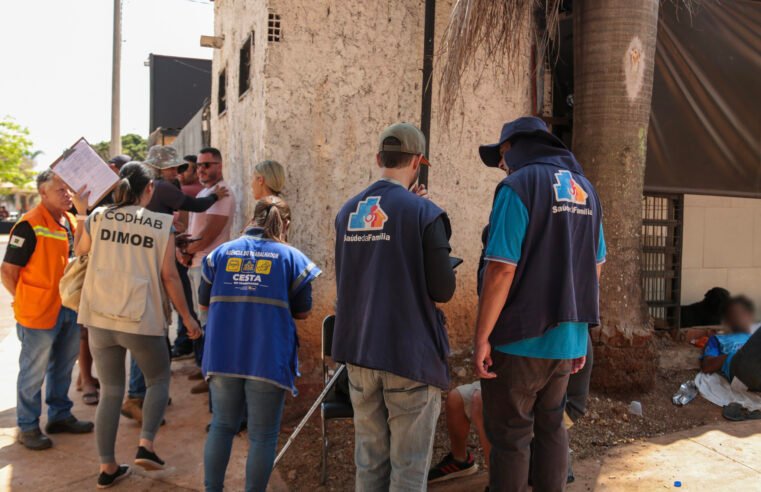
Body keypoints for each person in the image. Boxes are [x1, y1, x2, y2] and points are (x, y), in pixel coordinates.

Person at [474, 116, 605, 492]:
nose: (502, 165)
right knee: (551, 429)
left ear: (512, 148)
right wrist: (578, 330)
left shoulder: (518, 186)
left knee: (512, 437)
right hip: (566, 340)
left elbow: (500, 268)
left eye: (501, 156)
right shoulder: (585, 190)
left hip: (519, 339)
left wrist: (482, 337)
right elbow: (596, 264)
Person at [332, 122, 457, 490]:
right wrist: (433, 222)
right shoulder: (424, 213)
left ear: (378, 159)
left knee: (369, 463)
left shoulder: (346, 212)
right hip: (408, 354)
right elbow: (443, 290)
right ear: (418, 161)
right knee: (409, 468)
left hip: (358, 353)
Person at [74, 162, 202, 489]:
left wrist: (80, 214)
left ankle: (107, 467)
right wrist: (187, 318)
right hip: (140, 317)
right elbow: (170, 277)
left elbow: (80, 252)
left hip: (99, 316)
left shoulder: (97, 217)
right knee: (158, 379)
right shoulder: (160, 224)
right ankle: (146, 445)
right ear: (149, 190)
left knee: (112, 392)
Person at [201, 196, 320, 492]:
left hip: (222, 354)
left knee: (222, 425)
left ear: (252, 218)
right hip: (267, 356)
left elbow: (204, 303)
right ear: (286, 224)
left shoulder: (219, 254)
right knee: (263, 435)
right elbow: (303, 311)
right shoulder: (292, 258)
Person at [121, 146, 230, 421]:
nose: (177, 172)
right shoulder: (162, 187)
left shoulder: (145, 194)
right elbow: (194, 206)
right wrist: (216, 196)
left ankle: (147, 391)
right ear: (159, 169)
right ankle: (139, 394)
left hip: (145, 265)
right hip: (158, 266)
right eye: (173, 167)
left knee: (152, 331)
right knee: (153, 330)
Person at [0, 171, 94, 451]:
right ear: (43, 193)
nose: (67, 194)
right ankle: (28, 427)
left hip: (67, 308)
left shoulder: (68, 220)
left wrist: (81, 214)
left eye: (68, 189)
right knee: (33, 373)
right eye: (60, 190)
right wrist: (23, 298)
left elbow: (81, 252)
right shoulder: (29, 224)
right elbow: (7, 271)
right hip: (38, 313)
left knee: (63, 367)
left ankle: (60, 415)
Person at [178, 147, 236, 395]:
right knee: (202, 321)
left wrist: (187, 251)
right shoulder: (205, 193)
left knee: (210, 323)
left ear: (219, 166)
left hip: (208, 266)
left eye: (207, 165)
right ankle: (205, 367)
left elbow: (209, 233)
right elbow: (194, 230)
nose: (201, 169)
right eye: (199, 165)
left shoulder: (222, 195)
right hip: (196, 263)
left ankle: (213, 375)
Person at [77, 154, 131, 406]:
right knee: (86, 330)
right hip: (93, 271)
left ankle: (112, 385)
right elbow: (79, 247)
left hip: (121, 274)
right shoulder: (86, 193)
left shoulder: (125, 198)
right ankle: (87, 379)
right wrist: (81, 210)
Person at [701, 296, 754, 382]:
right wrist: (735, 356)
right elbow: (707, 366)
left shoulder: (753, 336)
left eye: (743, 314)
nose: (739, 318)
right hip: (742, 371)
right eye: (734, 314)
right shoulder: (717, 339)